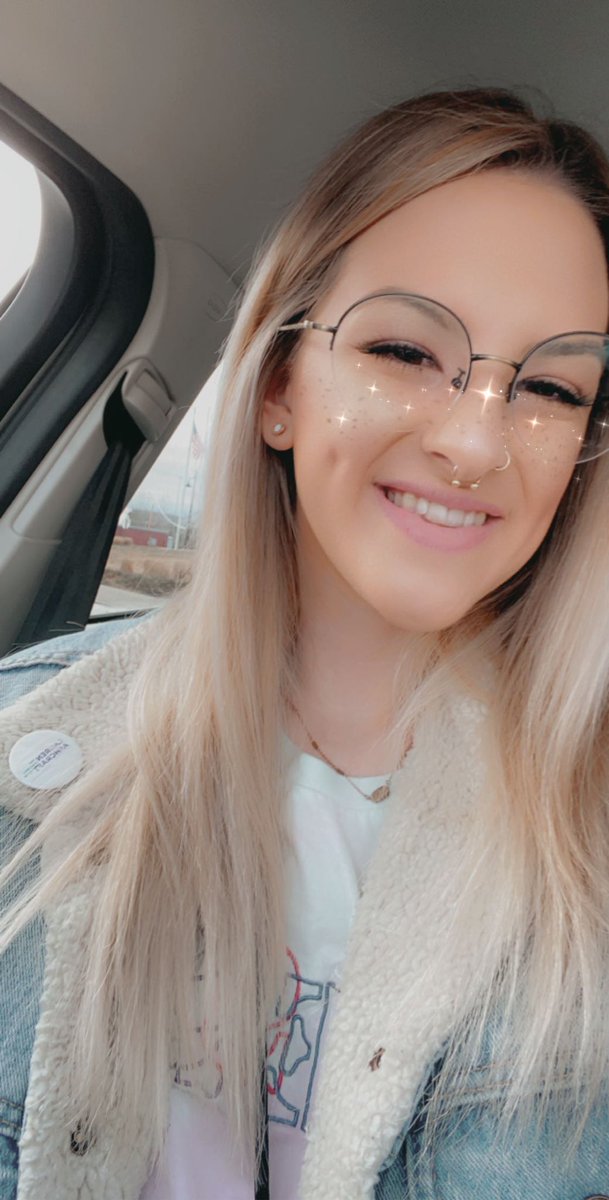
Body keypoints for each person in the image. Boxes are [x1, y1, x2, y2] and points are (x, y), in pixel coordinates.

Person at [1, 86, 609, 1200]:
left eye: (550, 387)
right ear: (278, 384)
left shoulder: (586, 851)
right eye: (405, 349)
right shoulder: (23, 757)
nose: (476, 442)